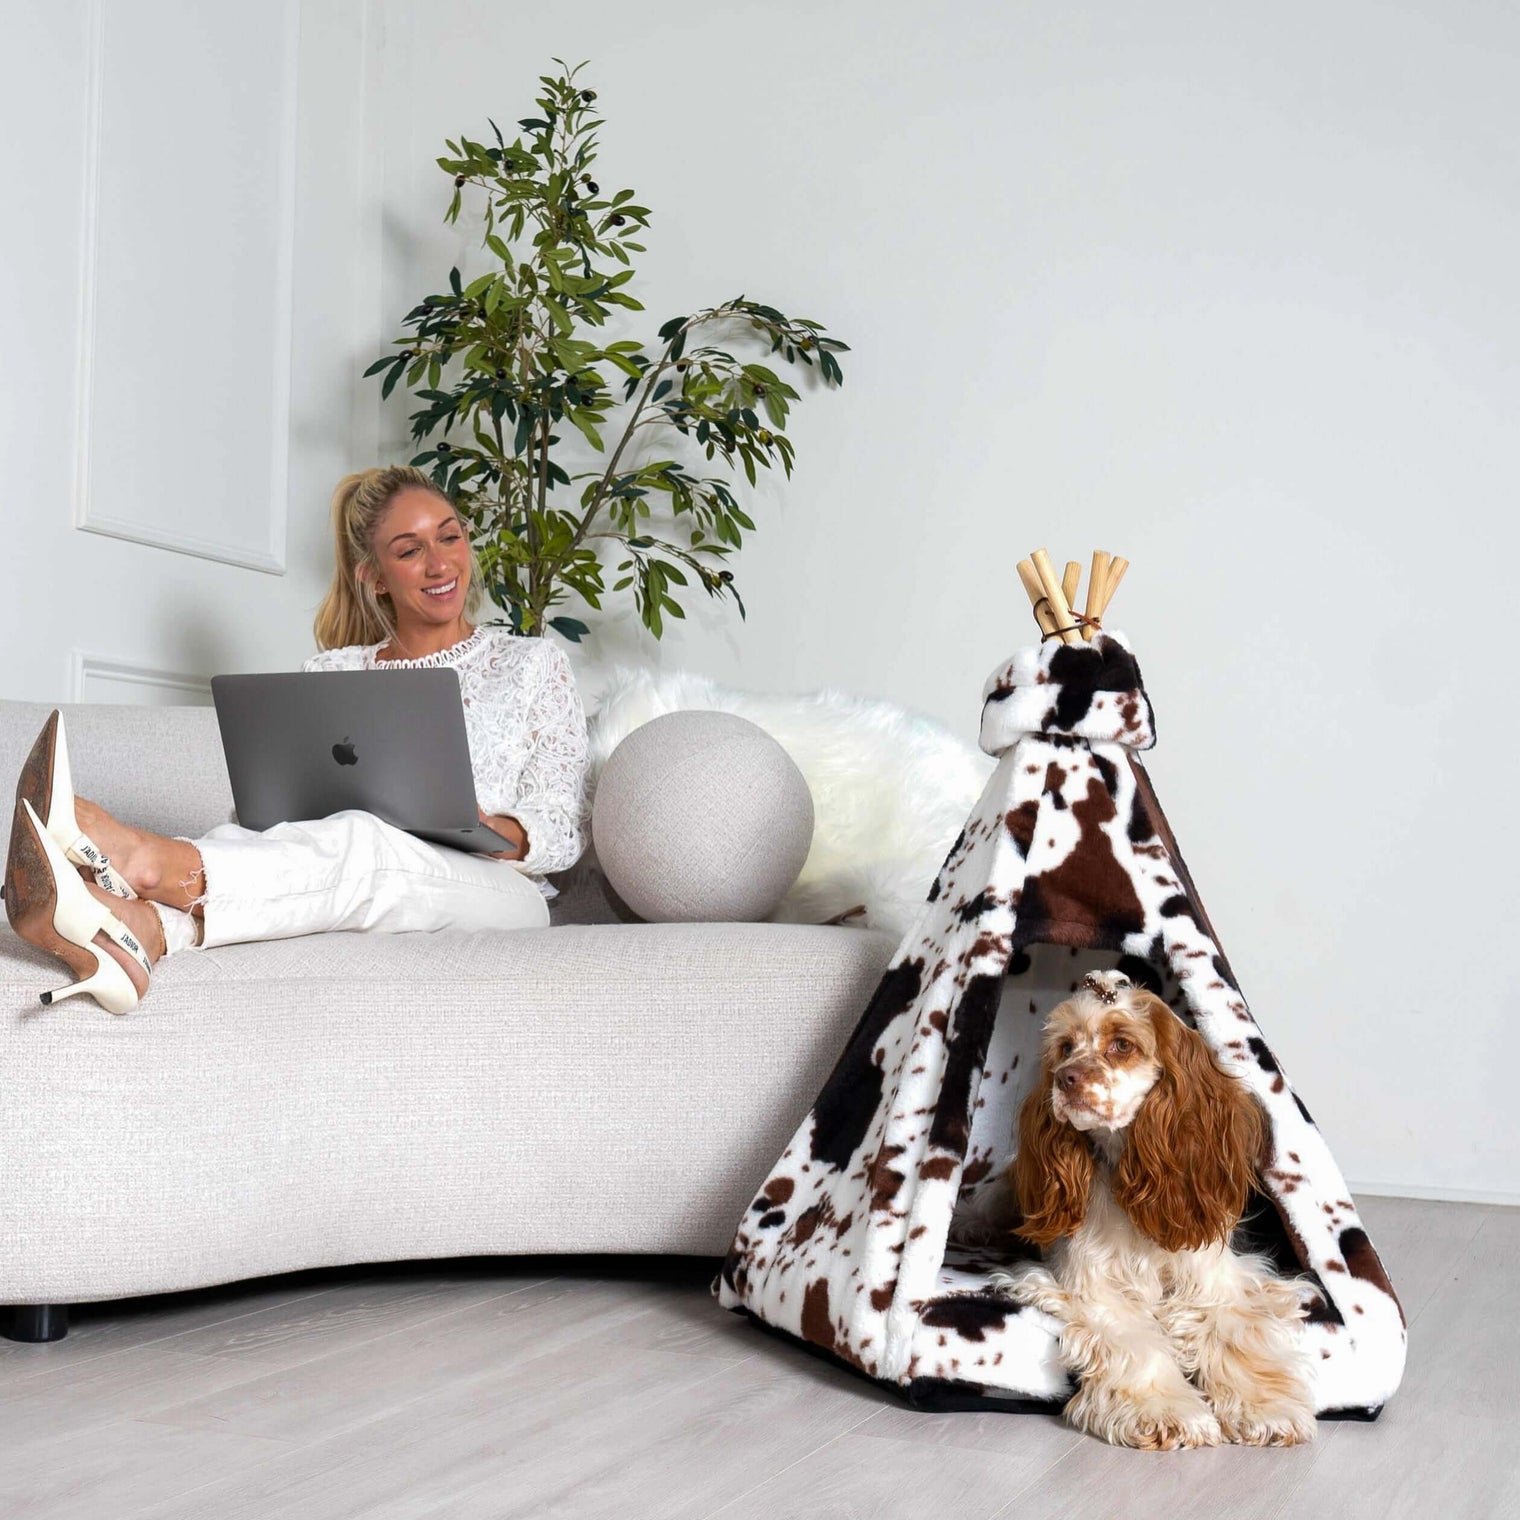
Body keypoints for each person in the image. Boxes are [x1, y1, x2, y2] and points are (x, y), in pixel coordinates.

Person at [4, 465, 589, 1015]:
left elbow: (563, 828)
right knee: (322, 843)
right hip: (363, 870)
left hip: (500, 891)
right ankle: (143, 933)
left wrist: (489, 826)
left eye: (450, 537)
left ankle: (147, 863)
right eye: (410, 551)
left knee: (369, 845)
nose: (440, 564)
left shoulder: (532, 664)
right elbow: (273, 824)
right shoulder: (330, 673)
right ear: (374, 577)